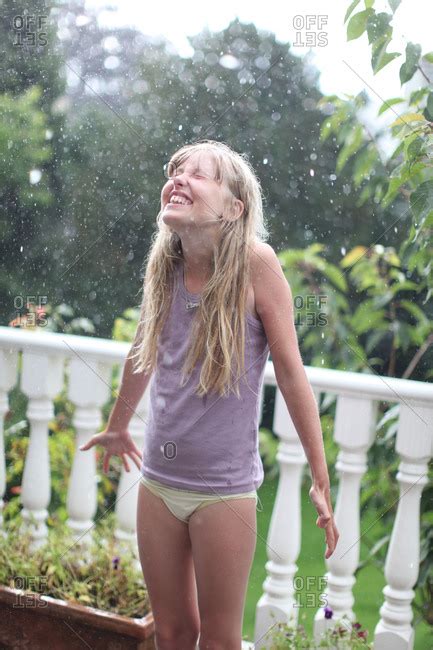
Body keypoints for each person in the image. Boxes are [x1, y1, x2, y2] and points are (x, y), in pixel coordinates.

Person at [79, 139, 339, 650]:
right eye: (175, 170)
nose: (178, 179)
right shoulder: (165, 263)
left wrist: (321, 476)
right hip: (158, 484)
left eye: (199, 175)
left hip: (224, 492)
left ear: (233, 208)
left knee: (219, 640)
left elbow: (290, 372)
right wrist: (117, 424)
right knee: (173, 634)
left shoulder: (256, 265)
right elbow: (144, 346)